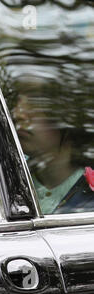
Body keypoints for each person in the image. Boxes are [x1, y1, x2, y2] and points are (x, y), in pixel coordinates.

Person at [11, 77, 94, 215]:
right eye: (16, 100)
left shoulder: (88, 197)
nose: (18, 114)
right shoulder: (5, 179)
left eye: (35, 102)